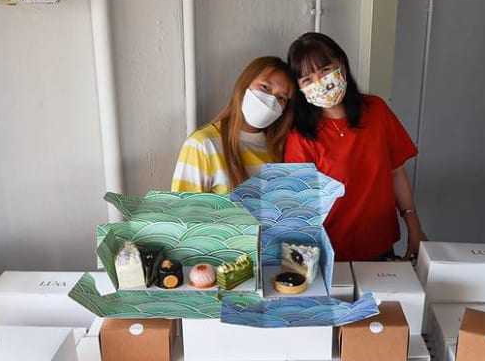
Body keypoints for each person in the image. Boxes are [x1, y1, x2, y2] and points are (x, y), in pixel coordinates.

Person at [285, 32, 426, 261]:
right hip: (330, 255)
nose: (320, 83)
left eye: (325, 70)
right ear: (299, 88)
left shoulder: (376, 110)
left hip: (381, 247)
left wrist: (413, 224)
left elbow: (396, 171)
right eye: (307, 79)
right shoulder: (301, 136)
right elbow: (300, 209)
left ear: (342, 65)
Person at [172, 56, 296, 194]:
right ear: (245, 84)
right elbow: (183, 206)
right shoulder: (203, 144)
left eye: (281, 97)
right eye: (265, 87)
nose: (272, 100)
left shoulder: (279, 148)